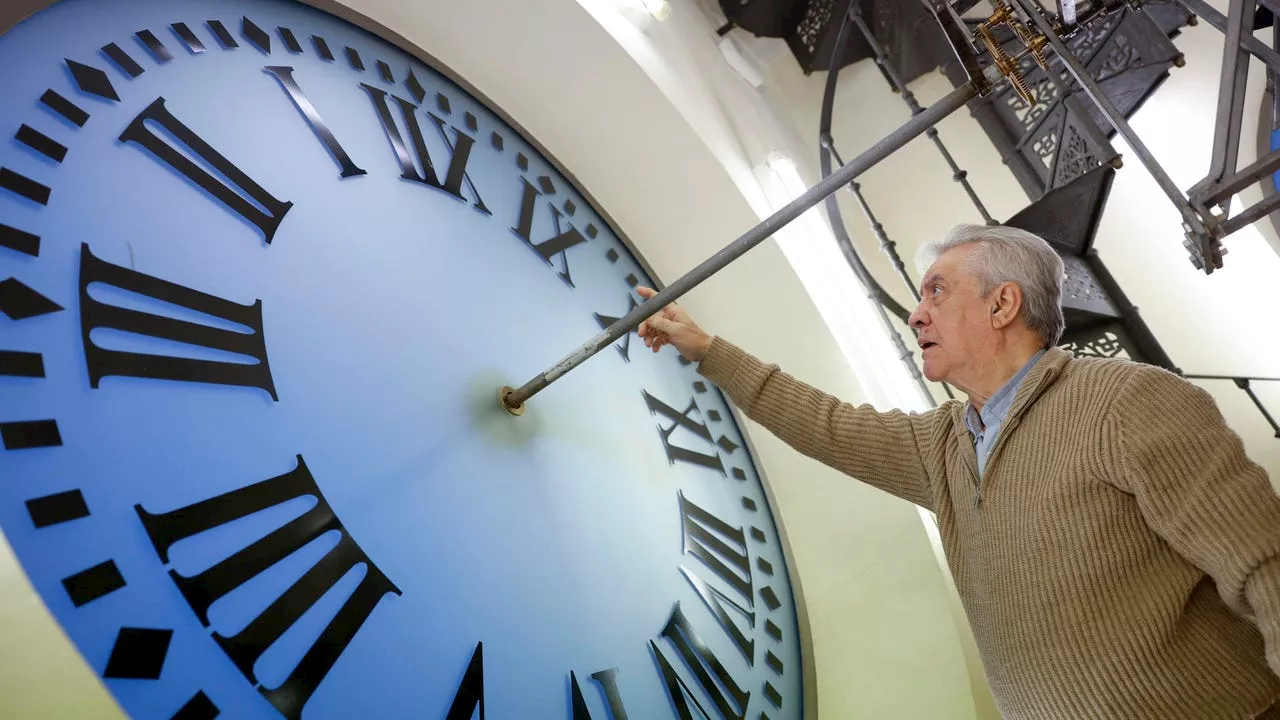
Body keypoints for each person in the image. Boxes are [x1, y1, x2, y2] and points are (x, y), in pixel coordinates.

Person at [636, 223, 1280, 720]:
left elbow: (1265, 562)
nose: (916, 314)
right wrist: (707, 350)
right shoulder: (941, 444)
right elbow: (823, 424)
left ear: (1002, 305)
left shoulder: (1124, 400)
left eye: (936, 292)